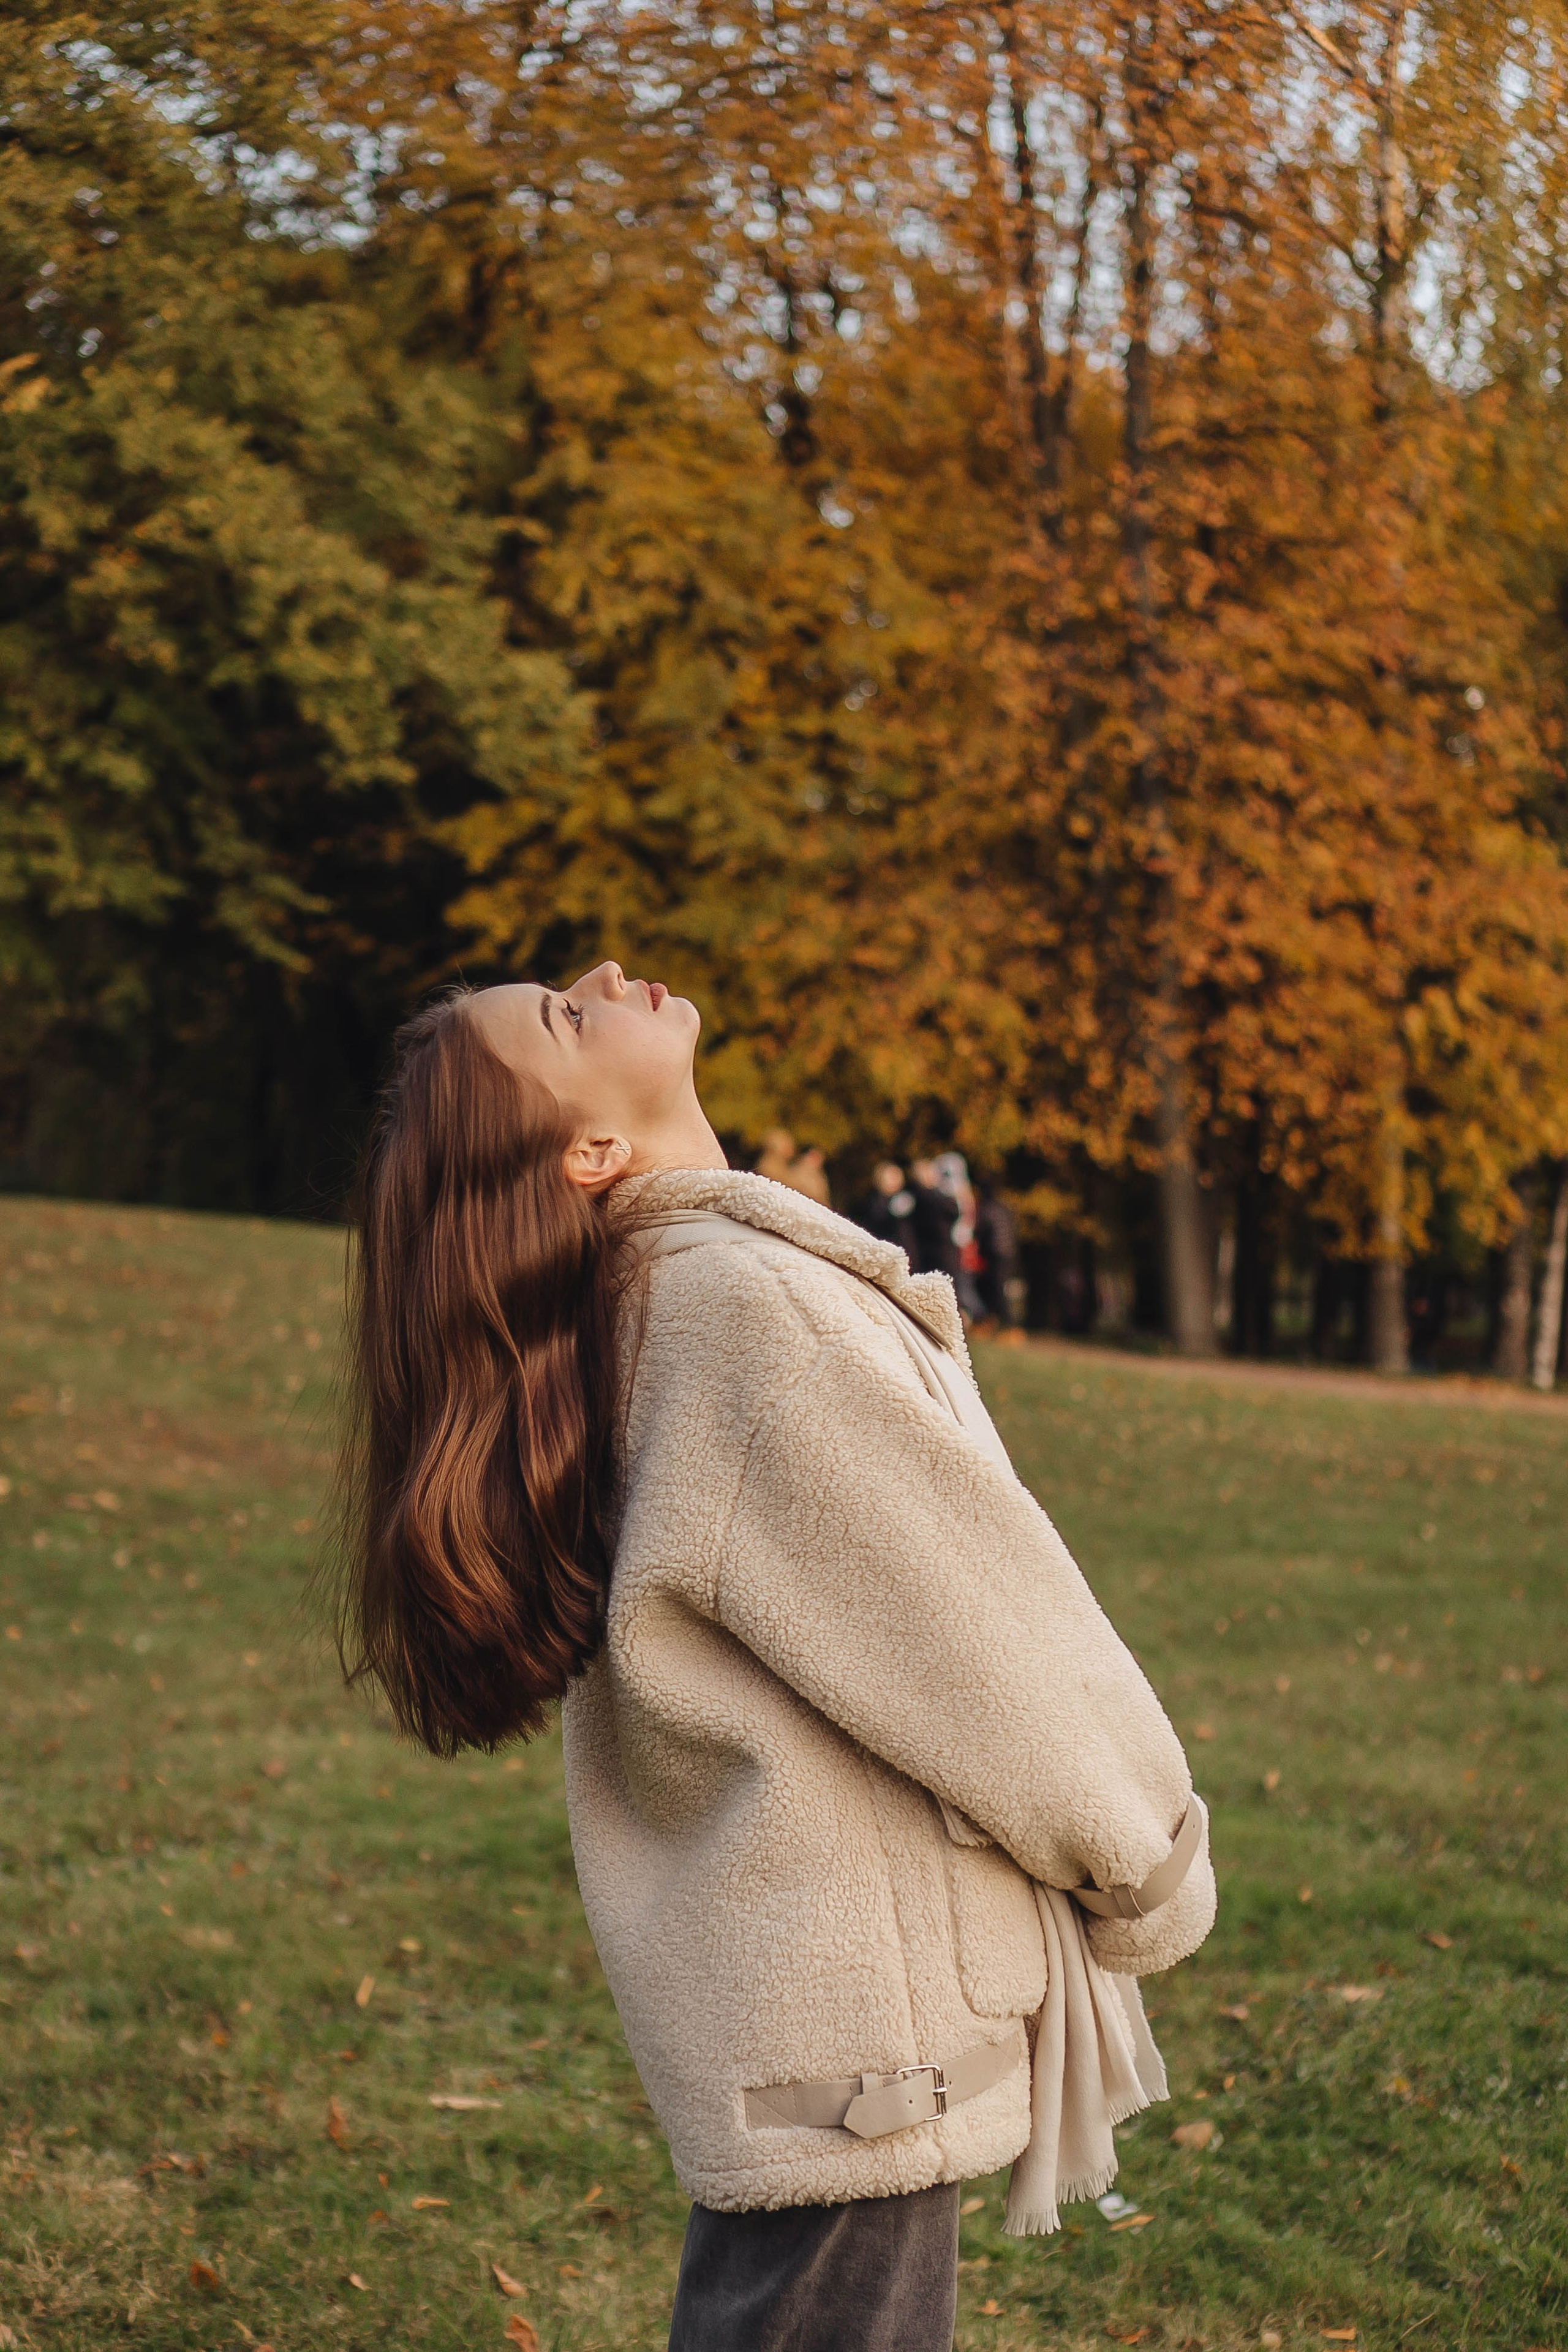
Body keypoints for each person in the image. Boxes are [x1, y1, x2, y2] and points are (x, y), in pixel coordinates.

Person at [332, 962, 1215, 2352]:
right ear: (590, 1150)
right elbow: (973, 1627)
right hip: (849, 1993)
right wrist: (1148, 1860)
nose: (606, 976)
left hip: (796, 1981)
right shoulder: (739, 1307)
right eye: (568, 1014)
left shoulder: (667, 1302)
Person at [853, 1161, 918, 1261]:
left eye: (898, 1176)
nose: (896, 1181)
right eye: (891, 1177)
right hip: (888, 1254)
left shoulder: (906, 1198)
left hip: (908, 1254)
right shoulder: (874, 1203)